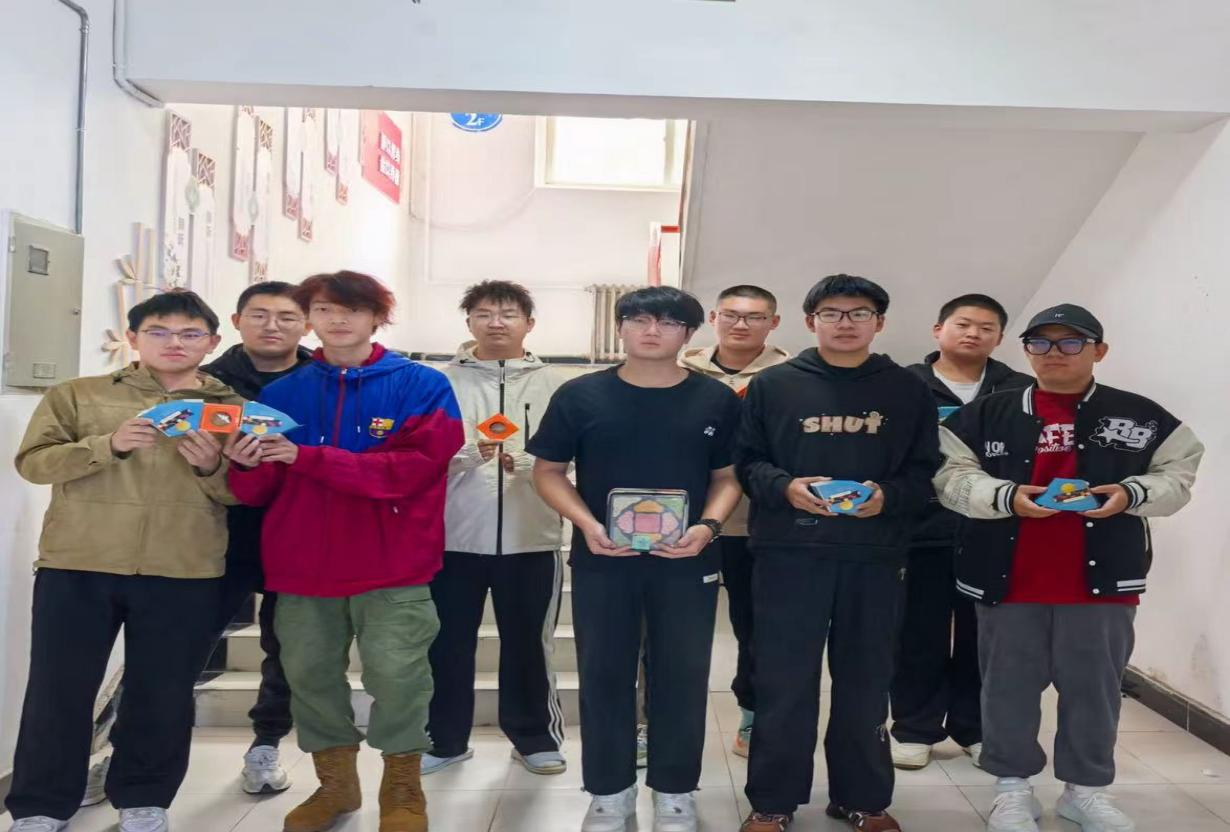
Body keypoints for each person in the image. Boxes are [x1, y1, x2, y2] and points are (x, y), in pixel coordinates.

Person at [934, 304, 1203, 832]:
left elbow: (1179, 474)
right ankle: (1013, 790)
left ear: (1099, 351)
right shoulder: (988, 412)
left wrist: (1131, 493)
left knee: (1094, 693)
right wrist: (1006, 497)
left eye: (1071, 342)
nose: (1054, 353)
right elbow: (950, 476)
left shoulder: (1140, 415)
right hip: (1008, 579)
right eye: (1040, 343)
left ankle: (1086, 791)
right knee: (1007, 691)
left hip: (1102, 583)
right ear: (1027, 351)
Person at [226, 271, 463, 832]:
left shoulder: (421, 385)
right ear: (311, 318)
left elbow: (414, 470)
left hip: (394, 565)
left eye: (352, 310)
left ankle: (403, 787)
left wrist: (306, 457)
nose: (337, 320)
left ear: (377, 317)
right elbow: (258, 492)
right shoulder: (280, 395)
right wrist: (243, 463)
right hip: (301, 567)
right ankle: (335, 785)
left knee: (399, 678)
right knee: (309, 678)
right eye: (325, 309)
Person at [7, 291, 241, 832]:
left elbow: (246, 495)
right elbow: (33, 464)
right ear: (133, 338)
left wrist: (212, 466)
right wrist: (106, 446)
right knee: (58, 689)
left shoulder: (233, 410)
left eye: (189, 333)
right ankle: (40, 806)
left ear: (212, 342)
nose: (174, 342)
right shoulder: (78, 395)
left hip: (184, 567)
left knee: (163, 691)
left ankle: (145, 799)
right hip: (79, 563)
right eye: (159, 331)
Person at [530, 286, 743, 832]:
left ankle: (675, 792)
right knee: (604, 674)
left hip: (688, 560)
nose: (652, 331)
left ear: (688, 334)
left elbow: (727, 478)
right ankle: (609, 793)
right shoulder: (580, 396)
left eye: (668, 322)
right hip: (604, 558)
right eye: (640, 319)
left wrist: (707, 527)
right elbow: (547, 472)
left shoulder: (716, 400)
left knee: (682, 676)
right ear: (620, 327)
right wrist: (587, 525)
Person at [736, 274, 940, 832]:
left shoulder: (907, 389)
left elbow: (925, 470)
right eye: (831, 313)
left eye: (859, 313)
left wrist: (887, 497)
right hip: (789, 553)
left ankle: (862, 798)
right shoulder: (773, 385)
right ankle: (773, 801)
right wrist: (785, 487)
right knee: (783, 681)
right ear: (811, 322)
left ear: (879, 322)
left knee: (867, 682)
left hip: (875, 555)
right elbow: (746, 462)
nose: (845, 323)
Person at [424, 280, 567, 776]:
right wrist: (464, 457)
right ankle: (444, 740)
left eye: (508, 314)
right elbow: (413, 459)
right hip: (452, 538)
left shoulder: (558, 386)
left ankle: (534, 738)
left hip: (533, 535)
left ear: (530, 324)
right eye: (484, 314)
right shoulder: (439, 383)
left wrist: (532, 466)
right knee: (445, 643)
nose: (496, 323)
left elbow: (581, 459)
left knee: (529, 643)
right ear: (469, 322)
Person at [889, 294, 1032, 771]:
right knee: (917, 632)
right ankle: (913, 728)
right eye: (963, 324)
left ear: (1000, 337)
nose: (973, 334)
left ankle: (975, 727)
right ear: (938, 330)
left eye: (986, 328)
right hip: (921, 529)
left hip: (995, 531)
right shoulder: (904, 384)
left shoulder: (1020, 389)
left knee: (985, 636)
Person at [204, 281, 313, 792]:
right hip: (213, 533)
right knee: (178, 645)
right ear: (236, 320)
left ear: (306, 324)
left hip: (296, 530)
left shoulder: (323, 382)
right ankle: (125, 751)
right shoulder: (205, 383)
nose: (272, 326)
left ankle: (266, 743)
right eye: (259, 315)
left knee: (284, 646)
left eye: (287, 317)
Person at [679, 284, 789, 758]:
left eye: (754, 317)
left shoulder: (790, 378)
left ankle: (754, 714)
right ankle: (656, 719)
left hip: (760, 524)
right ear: (713, 317)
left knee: (757, 626)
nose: (741, 324)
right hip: (686, 522)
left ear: (774, 323)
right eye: (731, 315)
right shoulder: (679, 368)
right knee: (670, 628)